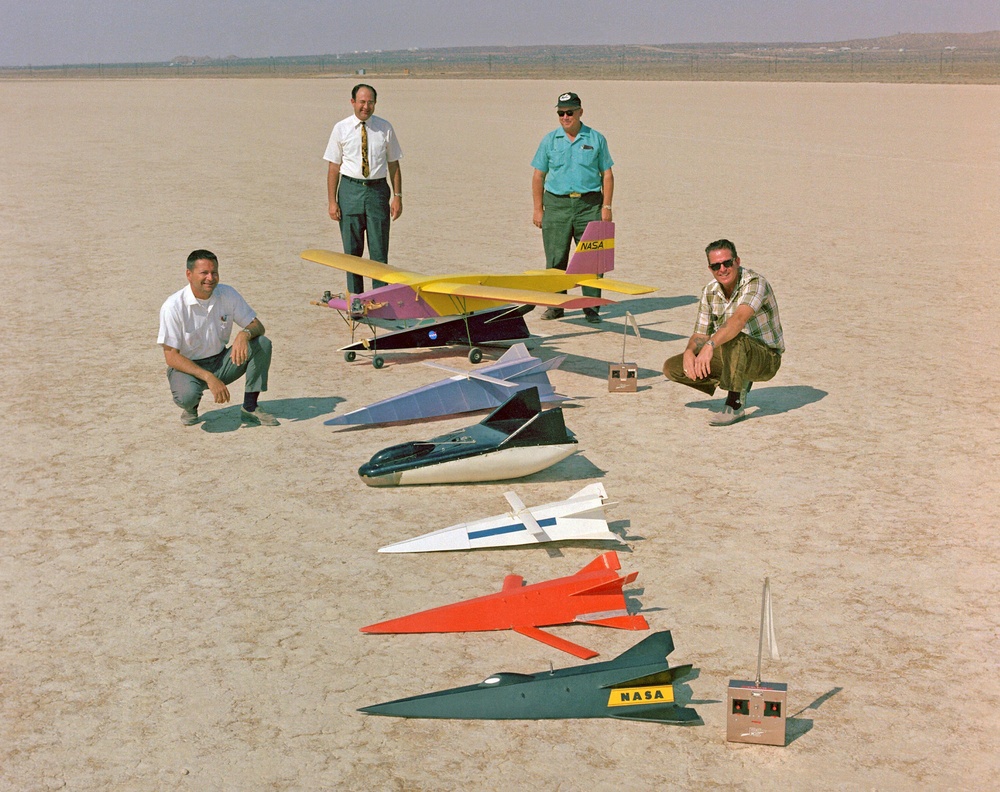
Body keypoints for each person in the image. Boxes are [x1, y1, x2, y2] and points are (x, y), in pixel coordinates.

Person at [663, 240, 784, 426]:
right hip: (731, 353)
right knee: (673, 367)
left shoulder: (755, 283)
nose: (722, 269)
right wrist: (689, 351)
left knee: (734, 339)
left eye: (727, 263)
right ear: (710, 268)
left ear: (737, 261)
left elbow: (738, 321)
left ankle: (734, 402)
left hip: (765, 359)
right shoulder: (709, 291)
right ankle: (736, 377)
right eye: (716, 266)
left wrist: (710, 346)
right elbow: (701, 334)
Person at [158, 250, 278, 427]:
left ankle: (250, 407)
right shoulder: (173, 306)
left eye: (214, 272)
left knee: (262, 343)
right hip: (187, 368)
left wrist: (244, 334)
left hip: (222, 362)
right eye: (204, 273)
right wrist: (209, 377)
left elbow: (258, 326)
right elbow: (171, 357)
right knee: (186, 397)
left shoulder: (227, 294)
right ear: (189, 275)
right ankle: (191, 407)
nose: (210, 278)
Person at [531, 91, 614, 324]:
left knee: (592, 259)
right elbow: (538, 176)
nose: (565, 117)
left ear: (580, 112)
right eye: (561, 113)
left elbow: (606, 174)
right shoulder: (549, 140)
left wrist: (606, 206)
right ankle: (556, 306)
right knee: (556, 258)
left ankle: (591, 307)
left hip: (589, 205)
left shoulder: (596, 139)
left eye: (569, 112)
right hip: (556, 205)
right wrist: (538, 209)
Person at [324, 83, 403, 294]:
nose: (365, 107)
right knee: (352, 253)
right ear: (353, 102)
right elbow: (333, 167)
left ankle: (380, 298)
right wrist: (332, 202)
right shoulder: (340, 128)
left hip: (377, 192)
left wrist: (397, 196)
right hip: (350, 191)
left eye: (370, 102)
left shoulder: (385, 128)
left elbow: (394, 163)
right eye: (361, 102)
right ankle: (356, 300)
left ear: (375, 103)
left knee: (378, 252)